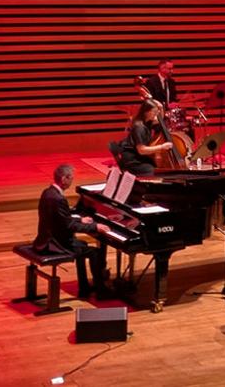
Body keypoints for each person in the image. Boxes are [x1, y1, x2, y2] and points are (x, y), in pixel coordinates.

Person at [32, 163, 109, 299]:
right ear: (64, 179)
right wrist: (95, 227)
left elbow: (62, 219)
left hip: (47, 238)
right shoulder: (59, 199)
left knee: (83, 246)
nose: (72, 180)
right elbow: (69, 226)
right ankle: (101, 291)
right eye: (71, 178)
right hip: (55, 244)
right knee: (94, 253)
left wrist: (80, 220)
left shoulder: (48, 192)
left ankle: (84, 288)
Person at [112, 99, 173, 175]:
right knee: (154, 172)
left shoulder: (147, 121)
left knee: (157, 168)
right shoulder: (139, 127)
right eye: (154, 111)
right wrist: (161, 147)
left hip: (138, 157)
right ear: (146, 112)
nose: (157, 114)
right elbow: (141, 150)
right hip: (132, 160)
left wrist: (160, 107)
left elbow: (160, 120)